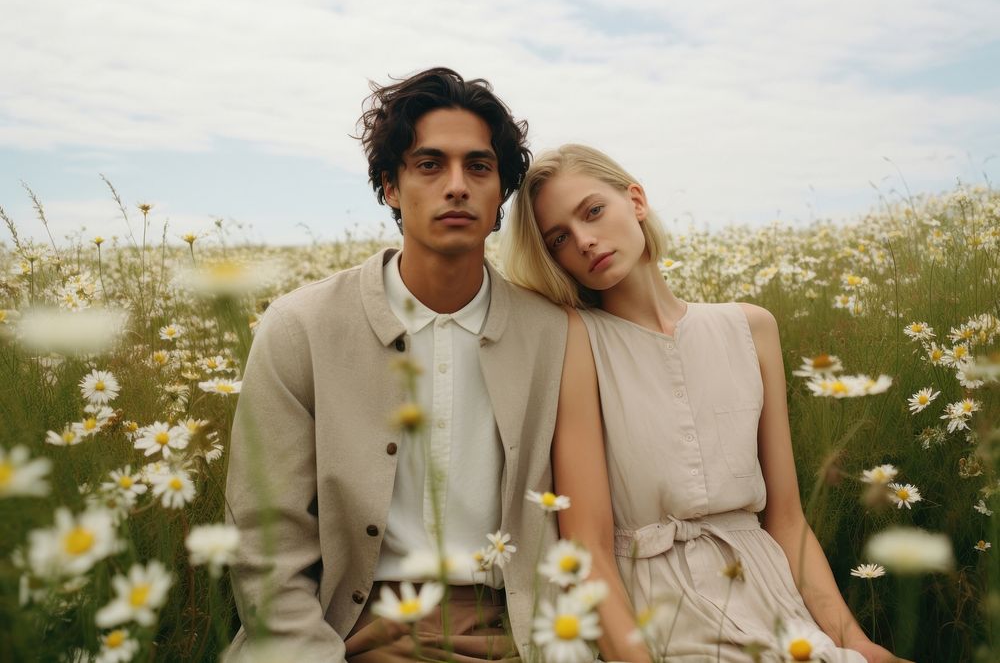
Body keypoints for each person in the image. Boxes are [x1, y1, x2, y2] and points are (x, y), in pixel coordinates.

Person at [501, 144, 902, 662]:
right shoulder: (576, 339)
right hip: (663, 617)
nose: (583, 240)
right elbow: (589, 548)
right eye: (559, 238)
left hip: (778, 606)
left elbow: (786, 521)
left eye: (593, 211)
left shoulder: (752, 327)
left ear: (636, 201)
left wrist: (859, 644)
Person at [224, 68, 567, 663]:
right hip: (350, 629)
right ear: (389, 185)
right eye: (429, 165)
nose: (456, 186)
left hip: (517, 630)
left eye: (479, 167)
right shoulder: (300, 327)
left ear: (501, 194)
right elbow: (264, 545)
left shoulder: (555, 335)